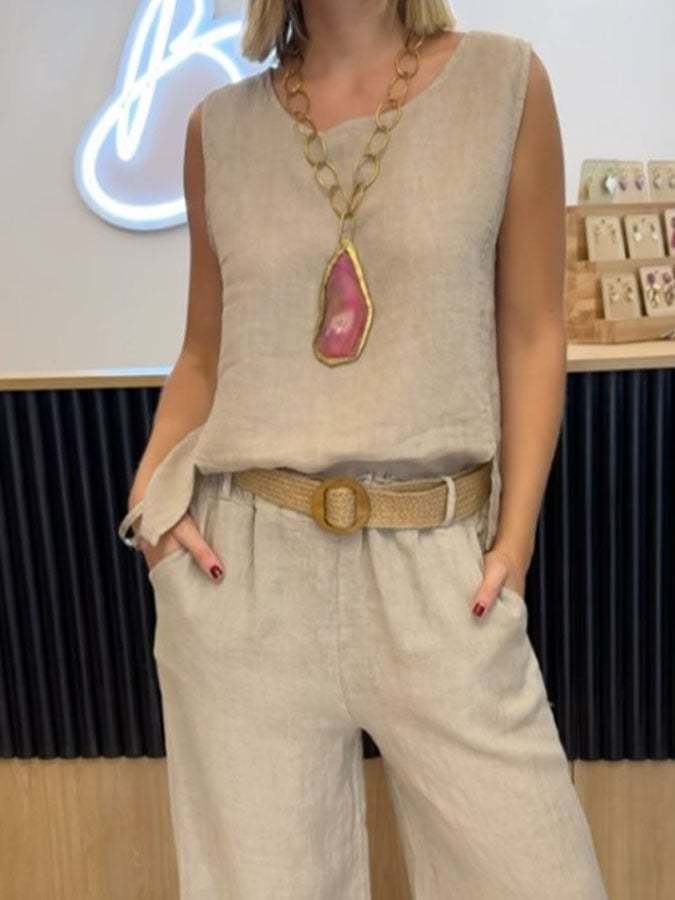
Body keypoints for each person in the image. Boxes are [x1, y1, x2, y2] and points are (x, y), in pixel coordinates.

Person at [117, 1, 609, 897]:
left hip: (438, 567)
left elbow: (535, 331)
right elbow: (203, 353)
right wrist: (151, 503)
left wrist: (515, 540)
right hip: (245, 574)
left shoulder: (503, 83)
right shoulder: (217, 129)